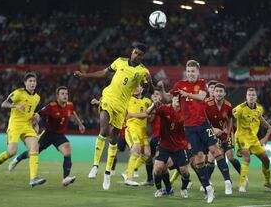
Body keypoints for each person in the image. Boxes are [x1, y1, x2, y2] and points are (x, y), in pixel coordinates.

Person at [74, 42, 151, 190]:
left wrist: (149, 81)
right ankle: (95, 166)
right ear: (132, 52)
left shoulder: (142, 71)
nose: (136, 55)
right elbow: (104, 73)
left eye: (140, 54)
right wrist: (84, 75)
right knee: (103, 130)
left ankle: (107, 173)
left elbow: (147, 90)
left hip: (122, 106)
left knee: (113, 139)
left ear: (142, 57)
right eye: (135, 52)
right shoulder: (119, 61)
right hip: (108, 98)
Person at [158, 60, 230, 203]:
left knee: (215, 151)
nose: (191, 74)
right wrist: (161, 90)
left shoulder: (202, 83)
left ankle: (227, 182)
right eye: (189, 71)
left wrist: (187, 94)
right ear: (186, 71)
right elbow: (167, 98)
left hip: (203, 125)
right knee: (198, 159)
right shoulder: (179, 85)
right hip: (189, 128)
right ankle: (208, 188)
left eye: (193, 71)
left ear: (198, 71)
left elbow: (202, 97)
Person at [8, 86, 86, 186]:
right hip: (47, 134)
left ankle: (65, 178)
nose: (65, 96)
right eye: (62, 94)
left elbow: (72, 112)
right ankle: (17, 159)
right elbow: (39, 113)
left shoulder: (70, 105)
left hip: (59, 135)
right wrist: (35, 122)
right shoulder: (51, 106)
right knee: (34, 152)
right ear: (57, 96)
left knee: (67, 151)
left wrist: (80, 124)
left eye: (66, 94)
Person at [0, 72, 46, 187]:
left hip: (27, 127)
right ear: (25, 83)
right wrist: (15, 105)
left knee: (35, 148)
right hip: (15, 126)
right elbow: (3, 104)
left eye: (34, 81)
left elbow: (32, 114)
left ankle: (33, 178)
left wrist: (36, 121)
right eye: (30, 81)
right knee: (11, 152)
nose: (32, 83)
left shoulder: (37, 97)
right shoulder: (18, 93)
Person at [233, 87, 271, 193]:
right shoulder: (240, 108)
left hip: (253, 138)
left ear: (256, 97)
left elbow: (260, 117)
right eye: (249, 95)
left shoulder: (259, 108)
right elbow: (231, 114)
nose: (251, 97)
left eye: (253, 95)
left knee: (266, 160)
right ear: (246, 97)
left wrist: (269, 126)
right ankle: (242, 185)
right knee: (247, 158)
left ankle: (267, 182)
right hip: (241, 137)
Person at [153, 96, 191, 199]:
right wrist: (154, 104)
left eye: (180, 98)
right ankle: (160, 189)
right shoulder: (165, 109)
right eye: (176, 98)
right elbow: (151, 113)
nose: (178, 100)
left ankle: (183, 189)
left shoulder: (185, 113)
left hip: (179, 147)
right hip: (164, 145)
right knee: (158, 168)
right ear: (172, 99)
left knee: (184, 172)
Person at [205, 83, 238, 194]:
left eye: (221, 91)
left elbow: (229, 120)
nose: (218, 93)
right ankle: (212, 182)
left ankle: (242, 177)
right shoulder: (207, 104)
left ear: (224, 93)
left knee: (230, 156)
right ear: (213, 93)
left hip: (224, 132)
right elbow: (203, 120)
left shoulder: (228, 105)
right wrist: (213, 129)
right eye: (217, 91)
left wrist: (228, 134)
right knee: (212, 157)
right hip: (212, 132)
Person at [122, 84, 152, 186]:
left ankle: (127, 172)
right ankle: (129, 178)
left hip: (143, 131)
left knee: (147, 155)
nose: (135, 87)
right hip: (132, 128)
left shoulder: (147, 101)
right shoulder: (128, 99)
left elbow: (149, 116)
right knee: (136, 149)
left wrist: (133, 115)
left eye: (138, 86)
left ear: (142, 88)